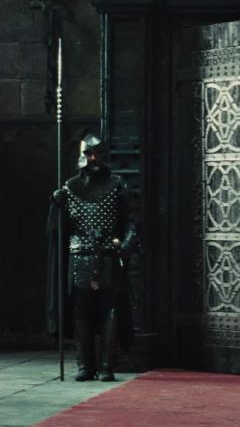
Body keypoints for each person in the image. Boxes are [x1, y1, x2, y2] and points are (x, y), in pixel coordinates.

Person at [50, 132, 137, 381]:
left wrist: (126, 245)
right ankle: (85, 365)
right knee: (81, 311)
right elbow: (59, 229)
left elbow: (131, 222)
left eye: (98, 153)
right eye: (88, 153)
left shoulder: (117, 184)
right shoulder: (69, 187)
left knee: (110, 310)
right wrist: (56, 206)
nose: (93, 158)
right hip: (80, 256)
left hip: (108, 255)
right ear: (81, 155)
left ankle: (107, 365)